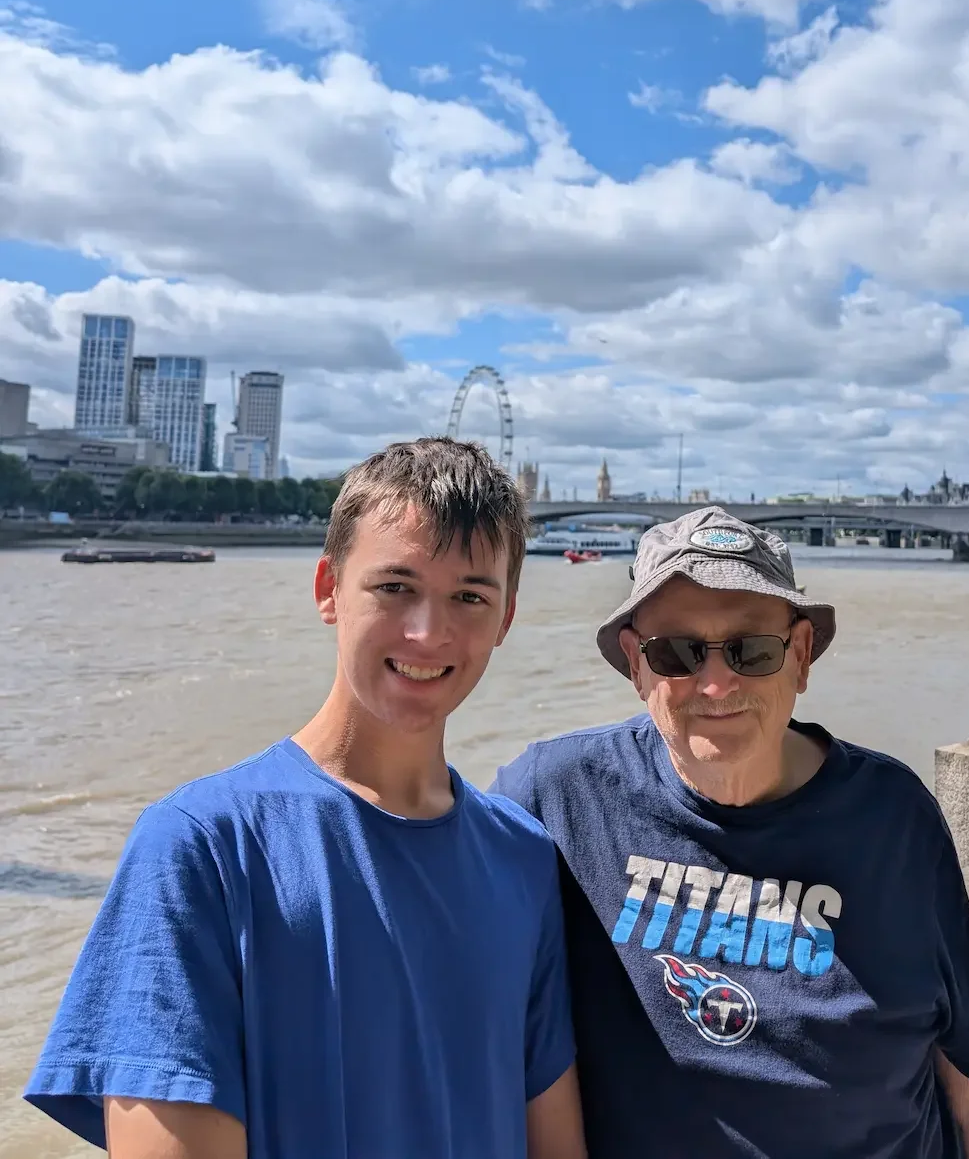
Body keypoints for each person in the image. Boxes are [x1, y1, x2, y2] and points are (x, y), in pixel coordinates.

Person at [26, 438, 586, 1159]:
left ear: (506, 619)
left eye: (470, 597)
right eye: (395, 587)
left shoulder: (524, 857)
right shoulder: (201, 846)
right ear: (328, 589)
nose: (428, 632)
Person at [494, 505, 969, 1159]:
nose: (717, 684)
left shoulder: (896, 821)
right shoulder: (556, 799)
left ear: (800, 657)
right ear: (637, 665)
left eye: (752, 650)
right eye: (677, 652)